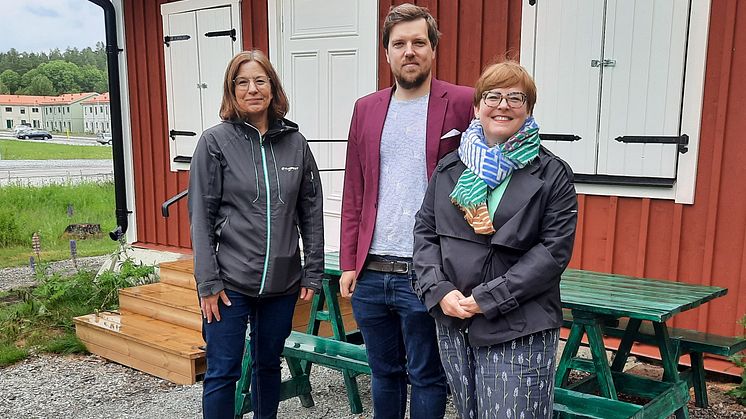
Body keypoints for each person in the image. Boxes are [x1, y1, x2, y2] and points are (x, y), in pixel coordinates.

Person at [412, 60, 578, 419]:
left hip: (520, 325)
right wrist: (439, 290)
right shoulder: (451, 168)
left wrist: (487, 299)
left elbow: (552, 254)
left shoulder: (552, 174)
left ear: (529, 109)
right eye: (492, 96)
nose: (502, 105)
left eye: (515, 98)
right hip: (455, 322)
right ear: (476, 107)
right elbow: (425, 233)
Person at [339, 4, 474, 418]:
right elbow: (354, 189)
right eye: (399, 44)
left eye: (419, 42)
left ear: (433, 49)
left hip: (428, 271)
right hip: (372, 271)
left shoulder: (464, 103)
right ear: (387, 53)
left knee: (428, 377)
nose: (409, 51)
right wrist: (348, 262)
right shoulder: (366, 108)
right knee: (383, 373)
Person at [188, 49, 324, 419]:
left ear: (272, 87)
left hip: (282, 283)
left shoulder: (296, 143)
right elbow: (201, 216)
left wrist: (312, 270)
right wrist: (207, 282)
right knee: (223, 371)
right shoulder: (215, 142)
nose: (252, 89)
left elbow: (310, 212)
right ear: (232, 91)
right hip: (229, 284)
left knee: (268, 365)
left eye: (260, 81)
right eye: (242, 82)